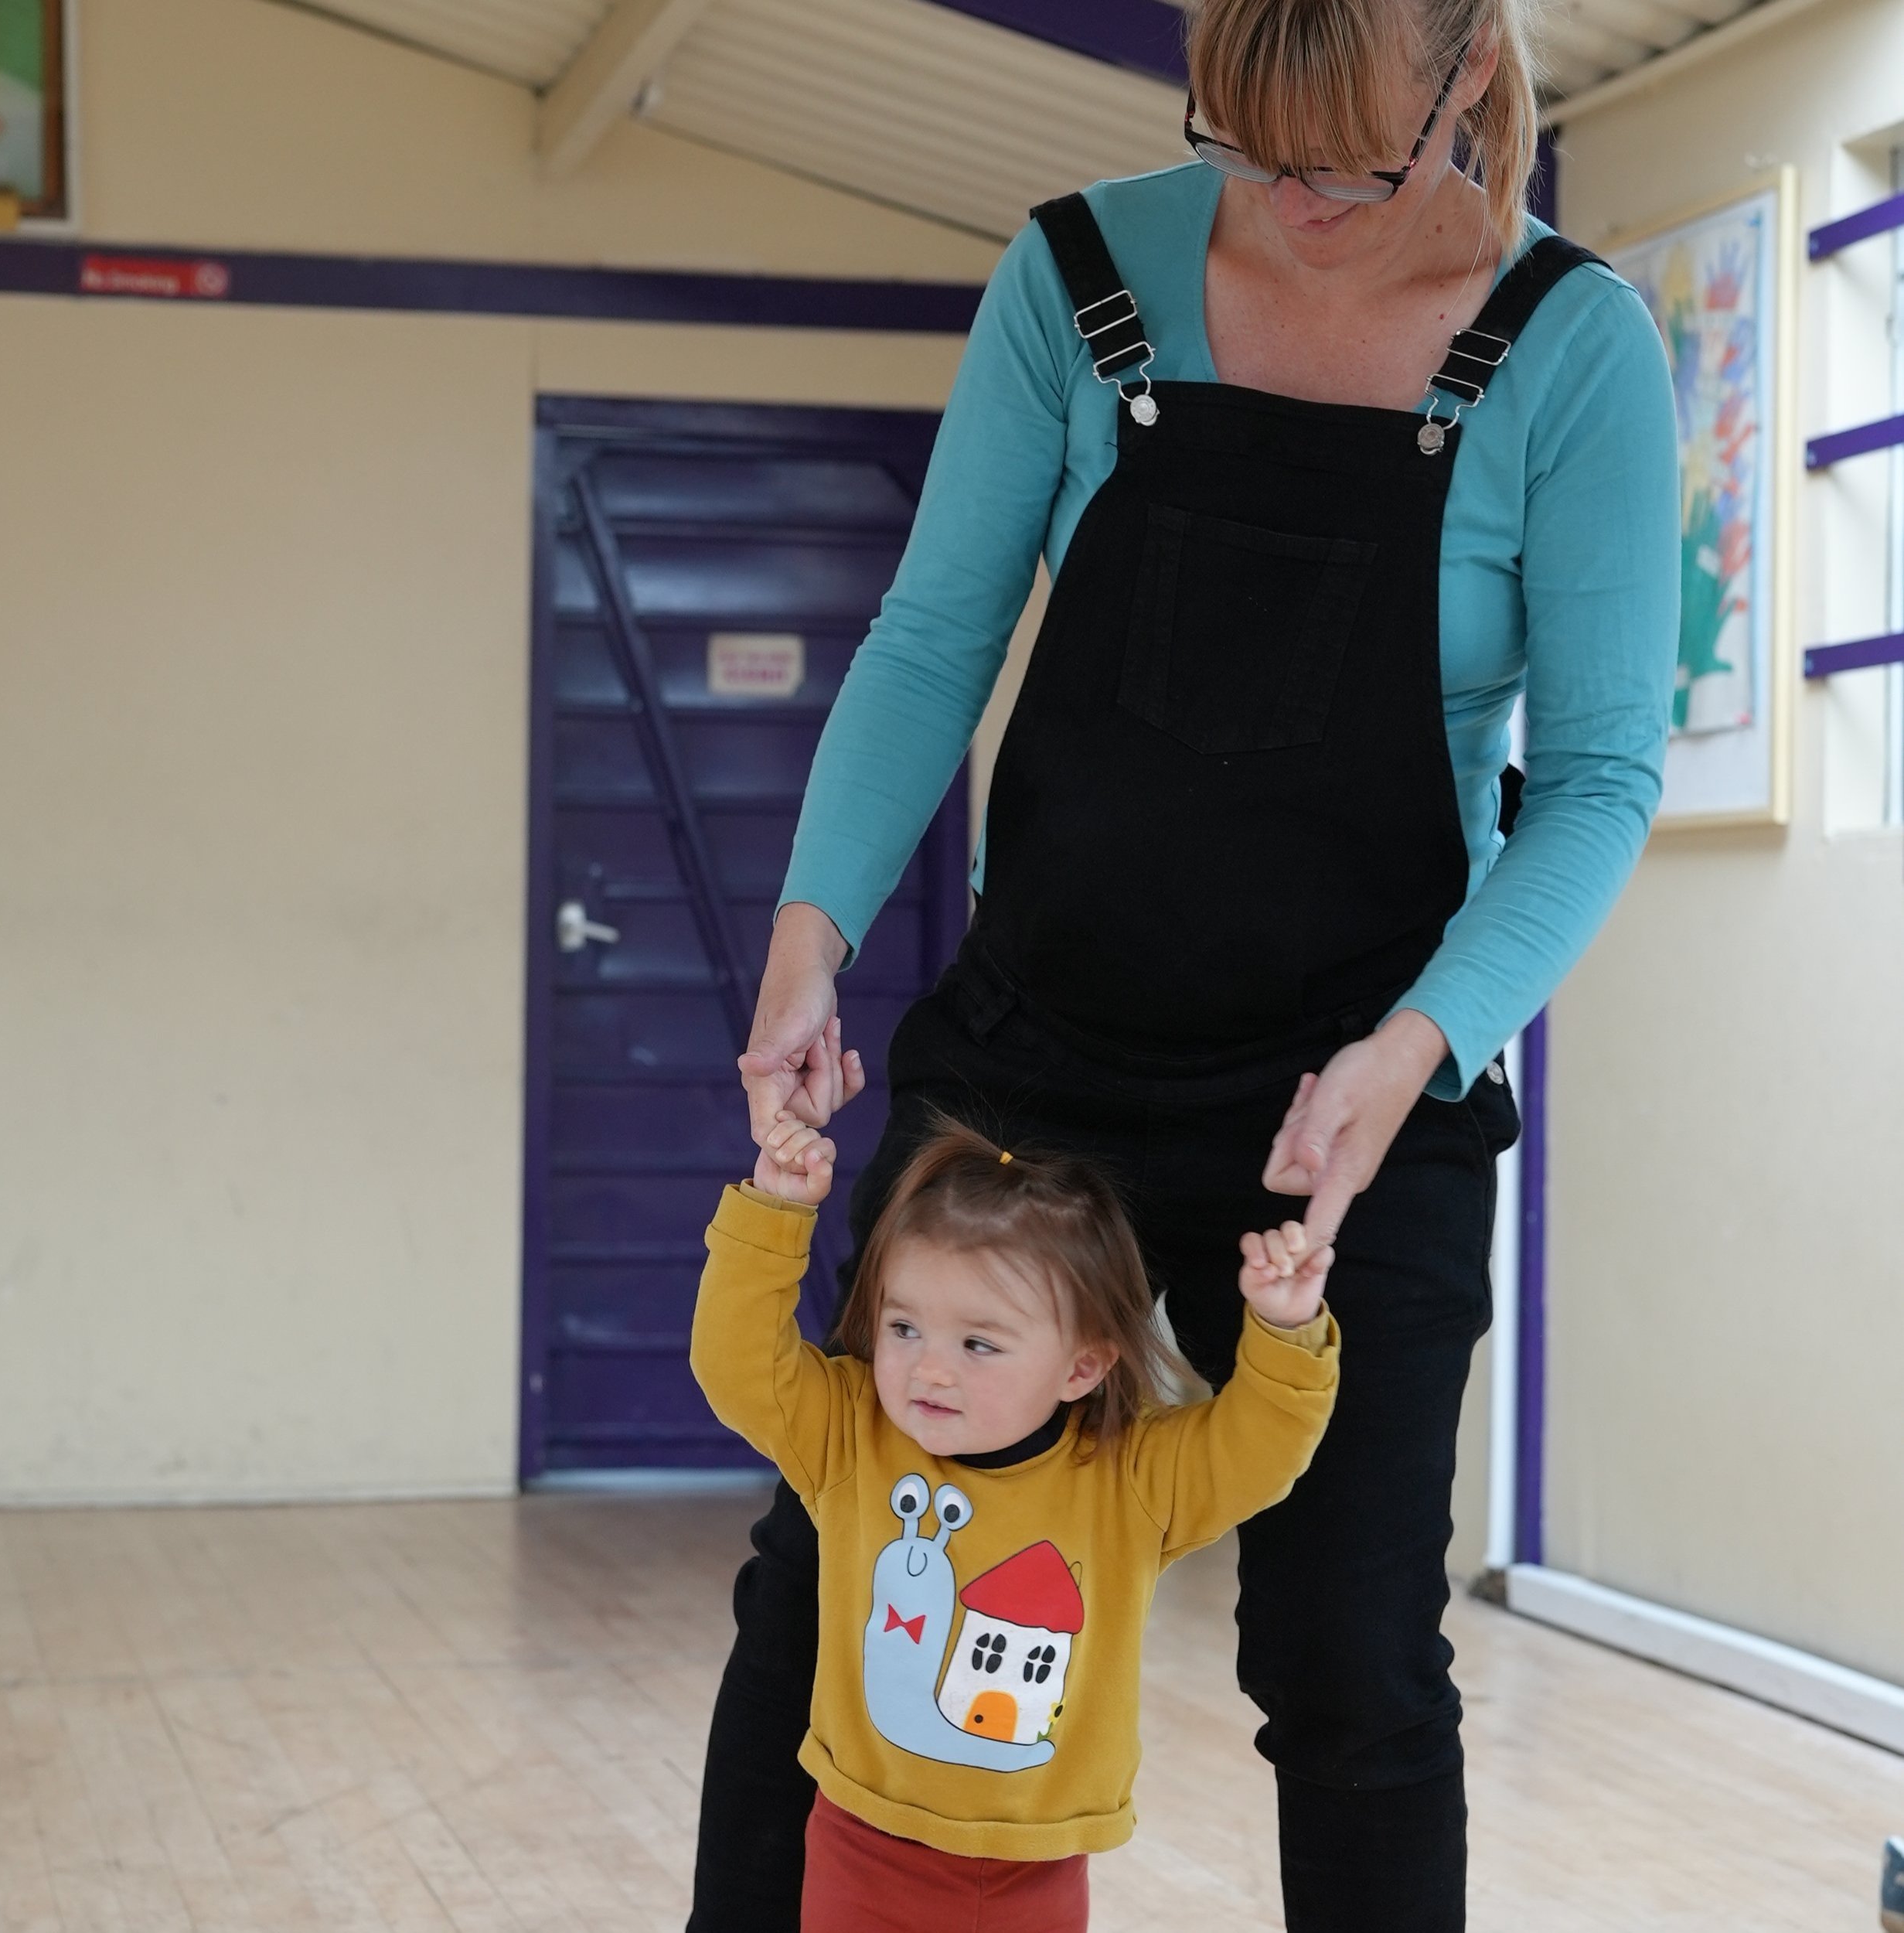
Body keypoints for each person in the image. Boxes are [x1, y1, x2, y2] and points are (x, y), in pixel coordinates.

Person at [687, 0, 1681, 1925]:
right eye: (1245, 147)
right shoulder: (1076, 278)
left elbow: (1599, 778)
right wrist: (808, 935)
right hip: (1033, 1069)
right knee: (826, 1584)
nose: (1294, 202)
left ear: (1468, 76)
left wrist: (1426, 1045)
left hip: (1350, 1107)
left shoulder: (1571, 351)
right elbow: (930, 637)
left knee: (1353, 1662)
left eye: (1350, 159)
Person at [690, 1108, 1340, 1933]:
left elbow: (1260, 1450)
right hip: (861, 1844)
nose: (928, 1366)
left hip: (1036, 1866)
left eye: (979, 1344)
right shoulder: (849, 1433)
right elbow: (735, 1363)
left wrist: (1285, 1330)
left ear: (1082, 1364)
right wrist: (774, 1212)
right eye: (903, 1326)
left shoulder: (1129, 1478)